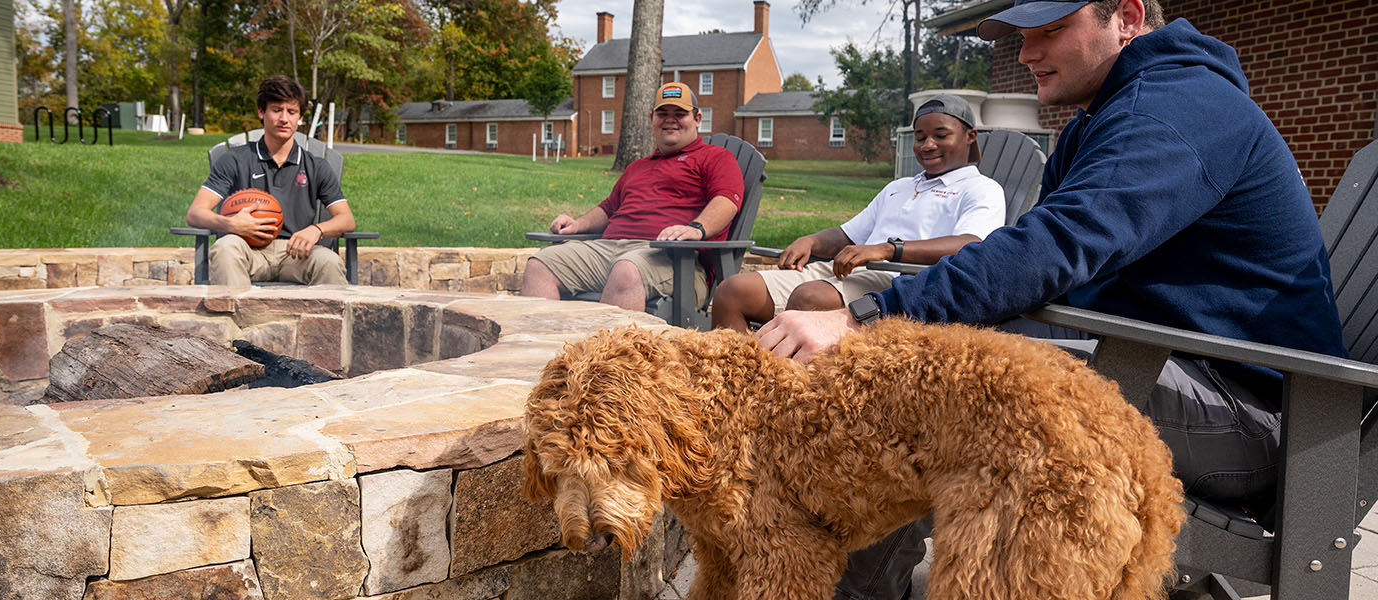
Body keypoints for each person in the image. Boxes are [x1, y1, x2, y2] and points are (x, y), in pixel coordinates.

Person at [756, 1, 1349, 598]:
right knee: (919, 372)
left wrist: (870, 317)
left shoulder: (1179, 107)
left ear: (1128, 16)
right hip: (1156, 364)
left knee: (918, 381)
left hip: (1260, 417)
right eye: (1022, 36)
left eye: (1052, 30)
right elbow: (1044, 262)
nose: (1026, 53)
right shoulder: (1111, 114)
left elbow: (1056, 246)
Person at [709, 94, 1004, 331]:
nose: (928, 145)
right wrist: (811, 241)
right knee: (731, 291)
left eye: (941, 135)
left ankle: (797, 395)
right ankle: (735, 385)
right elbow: (848, 234)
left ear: (970, 136)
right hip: (849, 273)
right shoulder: (898, 187)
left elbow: (971, 244)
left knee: (810, 298)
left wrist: (889, 250)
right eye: (920, 136)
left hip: (905, 283)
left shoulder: (981, 189)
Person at [521, 82, 745, 311]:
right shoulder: (638, 167)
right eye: (662, 113)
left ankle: (610, 348)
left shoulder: (716, 157)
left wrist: (696, 228)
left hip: (675, 259)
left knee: (626, 270)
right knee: (539, 265)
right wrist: (578, 224)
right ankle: (543, 345)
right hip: (609, 249)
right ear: (652, 119)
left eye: (680, 114)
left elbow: (727, 200)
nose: (670, 119)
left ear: (697, 119)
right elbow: (609, 208)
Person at [186, 75, 354, 286]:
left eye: (291, 112)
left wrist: (317, 230)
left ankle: (325, 320)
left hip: (296, 252)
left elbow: (347, 220)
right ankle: (232, 317)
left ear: (300, 117)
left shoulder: (316, 166)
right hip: (247, 248)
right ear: (261, 112)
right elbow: (195, 213)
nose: (284, 118)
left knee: (328, 261)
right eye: (276, 110)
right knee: (225, 248)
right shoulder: (235, 159)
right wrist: (230, 224)